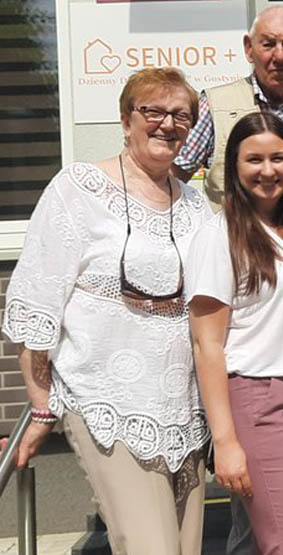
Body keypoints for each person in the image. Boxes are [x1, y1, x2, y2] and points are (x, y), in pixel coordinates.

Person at [0, 68, 212, 554]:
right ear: (125, 119)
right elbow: (37, 301)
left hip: (185, 407)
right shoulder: (78, 188)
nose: (167, 124)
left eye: (181, 115)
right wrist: (39, 405)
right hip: (109, 399)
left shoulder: (197, 206)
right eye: (152, 111)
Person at [186, 111, 283, 554]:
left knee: (274, 538)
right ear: (233, 167)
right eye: (254, 160)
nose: (267, 170)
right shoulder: (219, 234)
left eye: (278, 158)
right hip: (260, 400)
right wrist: (225, 441)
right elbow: (206, 344)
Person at [173, 5, 283, 216]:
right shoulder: (215, 106)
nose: (279, 56)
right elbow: (172, 180)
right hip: (232, 245)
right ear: (249, 48)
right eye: (268, 44)